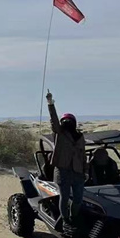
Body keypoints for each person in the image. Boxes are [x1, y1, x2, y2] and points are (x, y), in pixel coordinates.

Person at [45, 91, 86, 229]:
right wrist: (50, 103)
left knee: (78, 199)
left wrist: (85, 171)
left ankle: (74, 217)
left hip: (78, 172)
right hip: (63, 171)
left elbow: (83, 155)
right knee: (64, 197)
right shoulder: (60, 134)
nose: (67, 123)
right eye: (65, 121)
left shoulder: (80, 137)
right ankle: (65, 220)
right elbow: (54, 120)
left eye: (70, 121)